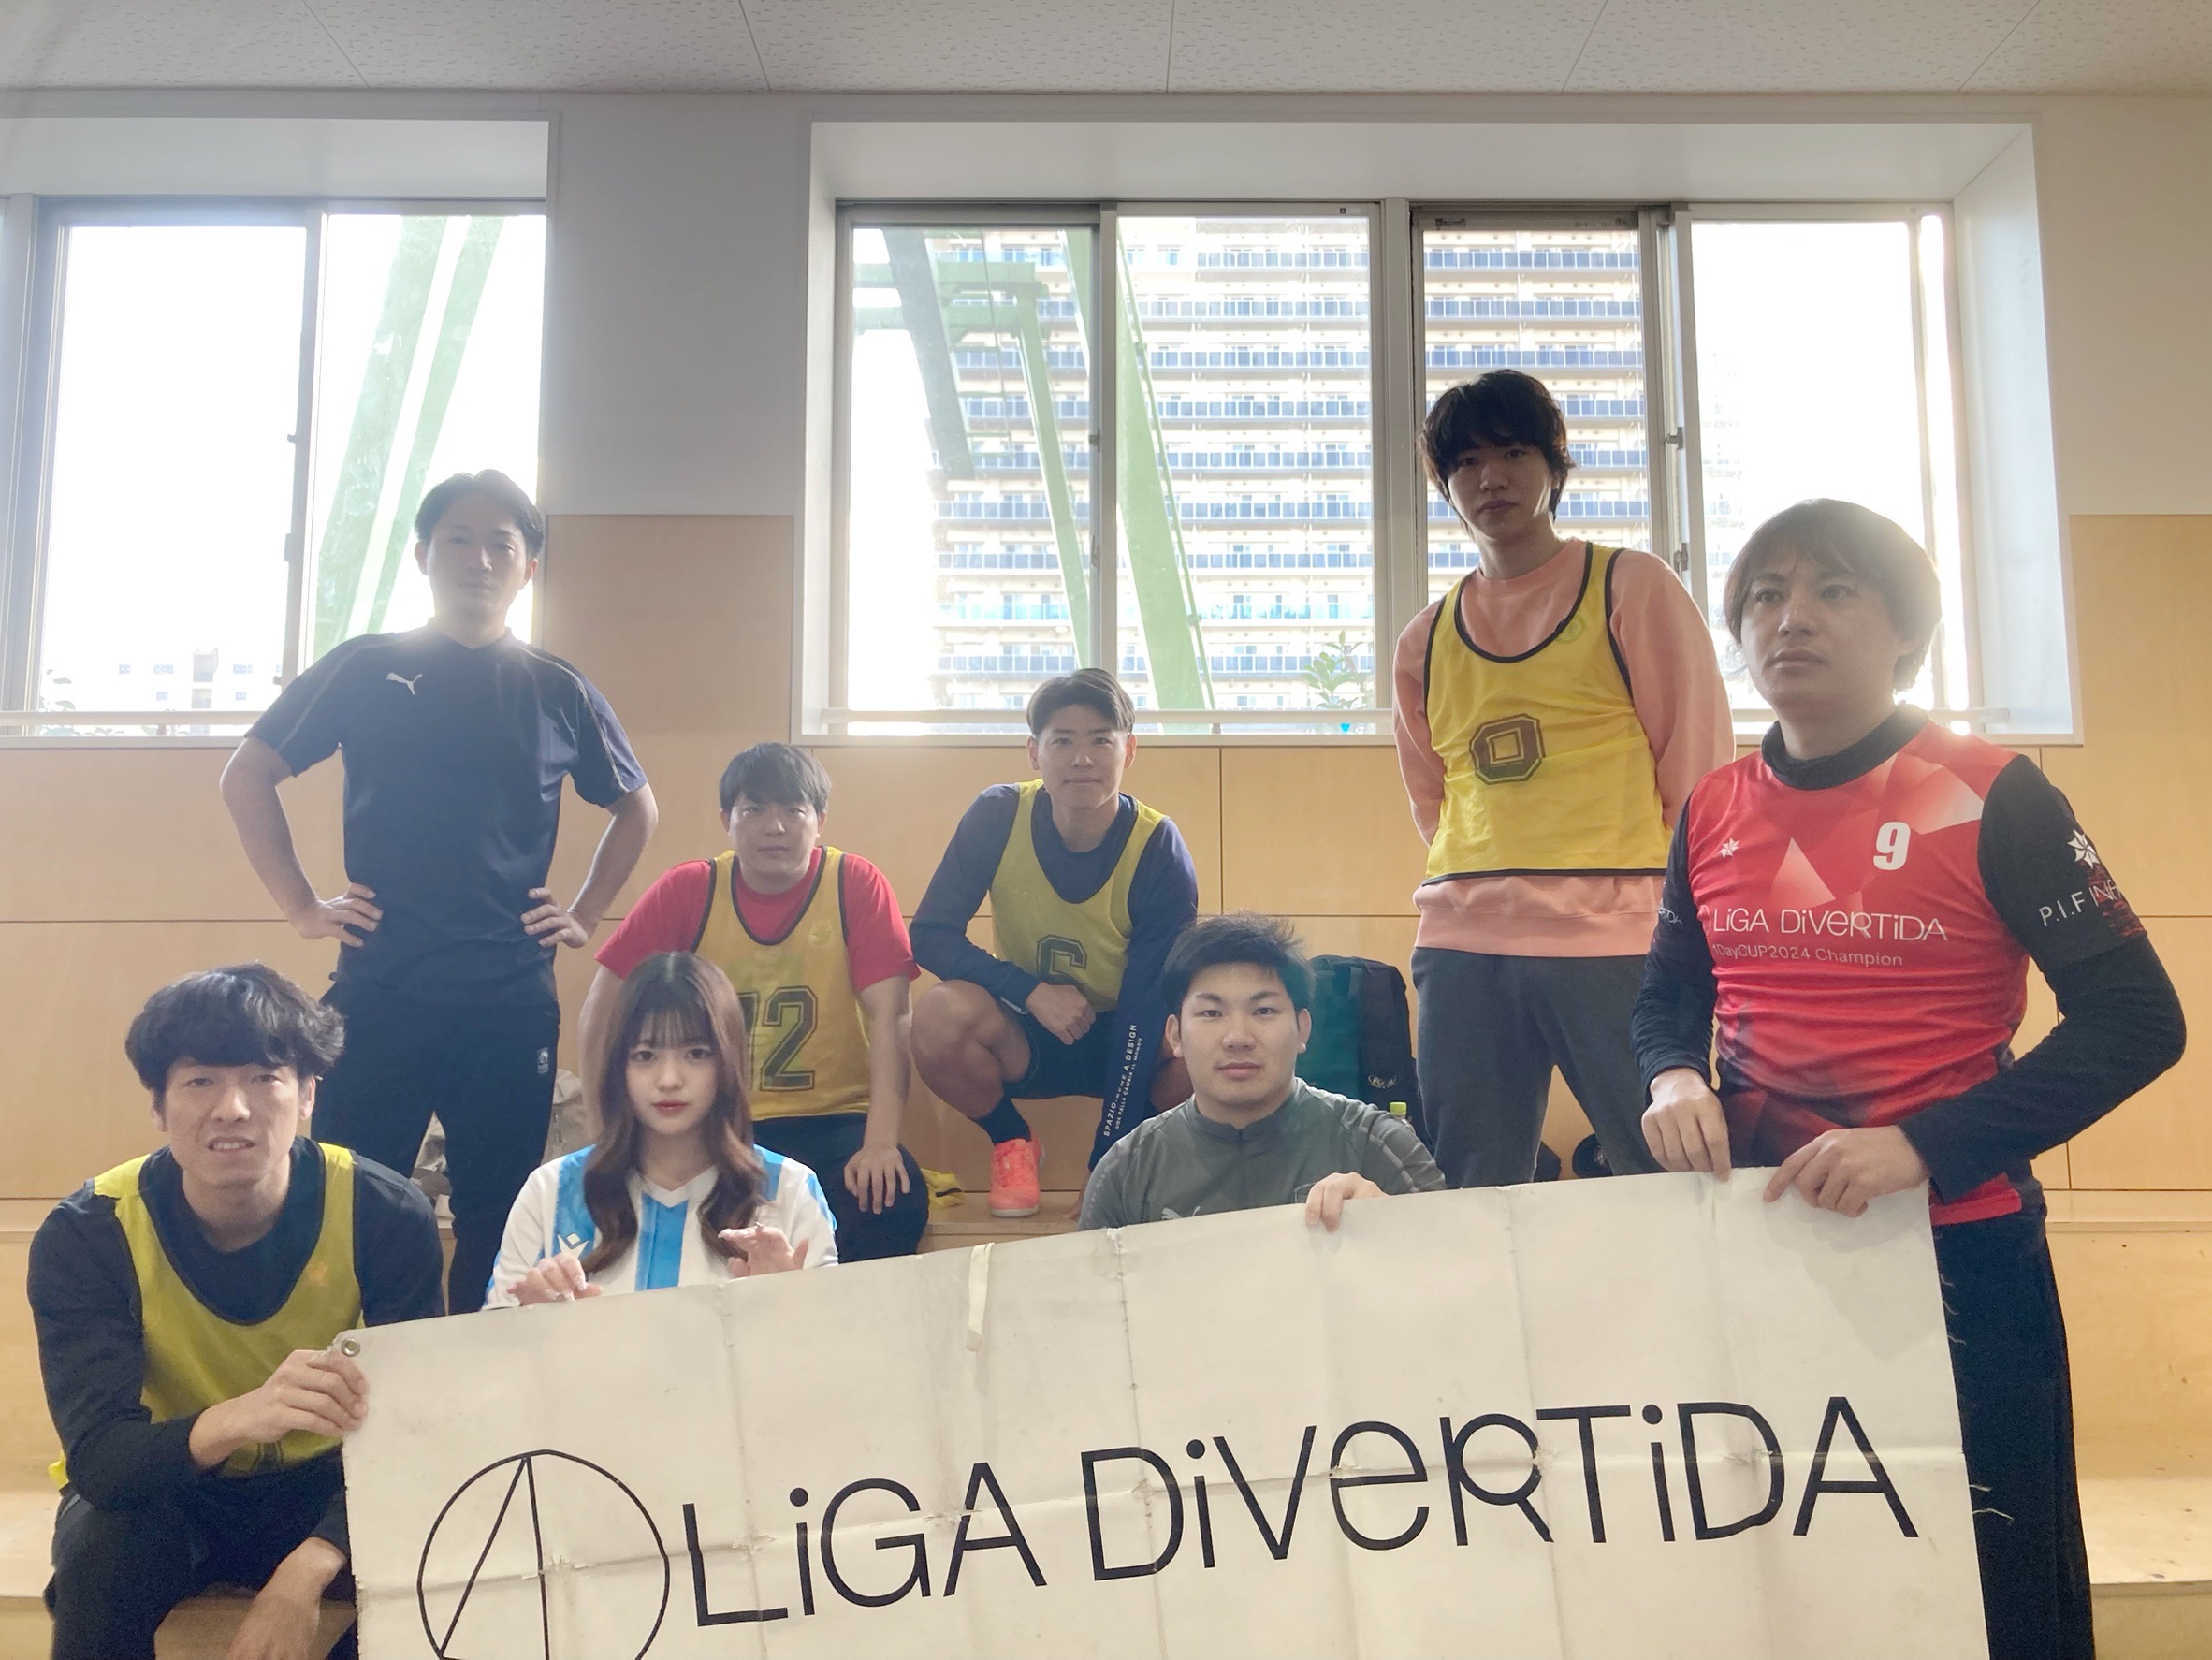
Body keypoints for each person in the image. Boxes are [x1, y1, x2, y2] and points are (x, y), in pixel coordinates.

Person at [1632, 499, 2186, 1660]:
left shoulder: (1993, 790)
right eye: (1766, 595)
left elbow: (2138, 1022)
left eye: (1833, 590)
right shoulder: (1713, 807)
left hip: (1959, 1250)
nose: (1791, 618)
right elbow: (1668, 996)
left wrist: (1927, 1144)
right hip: (1768, 1241)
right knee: (1797, 1570)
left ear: (1905, 633)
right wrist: (1673, 1076)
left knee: (1996, 1580)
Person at [221, 471, 657, 1312]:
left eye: (502, 544)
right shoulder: (365, 666)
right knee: (352, 1207)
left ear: (528, 567)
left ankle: (480, 1384)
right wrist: (303, 908)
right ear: (422, 554)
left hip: (508, 1001)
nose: (479, 559)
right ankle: (362, 1375)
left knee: (500, 1218)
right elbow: (247, 774)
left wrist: (585, 912)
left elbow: (636, 807)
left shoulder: (556, 687)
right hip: (381, 988)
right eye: (459, 538)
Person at [30, 965, 444, 1660]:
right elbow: (102, 1462)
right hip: (171, 1484)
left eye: (263, 1078)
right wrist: (245, 1416)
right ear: (158, 1106)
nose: (233, 1108)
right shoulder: (90, 1232)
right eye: (200, 1081)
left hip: (334, 1487)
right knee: (99, 1556)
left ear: (307, 1095)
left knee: (454, 1564)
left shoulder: (384, 1213)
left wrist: (305, 1572)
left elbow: (419, 1432)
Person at [1393, 371, 1734, 1189]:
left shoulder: (1631, 586)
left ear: (1555, 466)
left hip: (1616, 936)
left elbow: (1699, 770)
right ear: (1445, 484)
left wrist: (1675, 919)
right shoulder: (1424, 638)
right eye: (1467, 462)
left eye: (1514, 453)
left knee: (1666, 1172)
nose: (1491, 478)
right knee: (1469, 1188)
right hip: (1464, 943)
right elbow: (1433, 798)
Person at [580, 744, 926, 1260]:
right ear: (727, 820)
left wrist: (880, 1141)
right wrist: (602, 1135)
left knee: (892, 1198)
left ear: (820, 821)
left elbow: (892, 1015)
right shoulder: (689, 889)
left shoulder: (854, 883)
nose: (775, 827)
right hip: (714, 1119)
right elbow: (601, 1013)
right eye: (755, 809)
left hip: (834, 1118)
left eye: (794, 810)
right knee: (698, 1218)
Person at [910, 669, 1201, 1218]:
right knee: (937, 1015)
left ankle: (1147, 1162)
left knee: (1205, 1045)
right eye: (1062, 741)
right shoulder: (998, 814)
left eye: (1101, 741)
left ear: (1129, 750)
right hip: (1030, 1029)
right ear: (1033, 752)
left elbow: (1147, 1005)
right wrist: (1028, 990)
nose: (1081, 758)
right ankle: (1012, 1140)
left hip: (1128, 1034)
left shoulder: (1158, 847)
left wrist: (1108, 1154)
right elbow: (930, 935)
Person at [488, 953, 837, 1305]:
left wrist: (789, 1306)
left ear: (729, 1061)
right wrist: (530, 1320)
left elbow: (837, 1336)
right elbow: (491, 1334)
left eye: (696, 1053)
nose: (669, 1080)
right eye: (645, 1055)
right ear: (618, 1067)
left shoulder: (791, 1190)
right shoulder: (549, 1192)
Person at [1080, 914, 1444, 1230]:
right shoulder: (1126, 1172)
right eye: (1211, 1013)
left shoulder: (1377, 1147)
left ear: (1302, 1029)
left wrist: (1394, 1225)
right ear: (1175, 1035)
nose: (1238, 1037)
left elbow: (1459, 1266)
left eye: (1264, 1011)